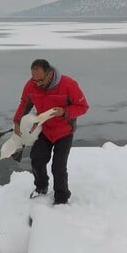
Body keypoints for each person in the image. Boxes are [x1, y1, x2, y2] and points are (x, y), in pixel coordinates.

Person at [13, 59, 89, 205]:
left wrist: (65, 112)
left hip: (64, 131)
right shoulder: (31, 85)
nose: (37, 84)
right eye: (34, 80)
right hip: (45, 129)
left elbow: (83, 107)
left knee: (58, 167)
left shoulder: (68, 84)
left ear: (49, 74)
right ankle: (41, 187)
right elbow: (25, 103)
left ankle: (61, 198)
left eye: (40, 80)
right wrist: (17, 121)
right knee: (37, 159)